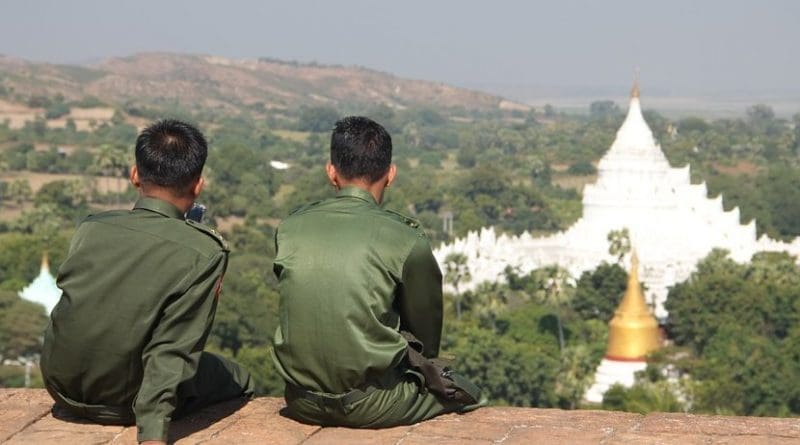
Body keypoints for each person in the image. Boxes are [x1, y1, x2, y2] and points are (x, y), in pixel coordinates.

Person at [40, 119, 254, 444]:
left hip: (62, 390)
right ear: (198, 185)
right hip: (123, 403)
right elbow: (172, 348)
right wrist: (152, 435)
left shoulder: (92, 228)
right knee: (238, 377)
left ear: (135, 175)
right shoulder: (204, 251)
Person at [271, 116, 484, 428]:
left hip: (300, 400)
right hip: (372, 404)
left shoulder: (289, 228)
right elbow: (425, 336)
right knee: (470, 392)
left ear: (331, 172)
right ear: (391, 174)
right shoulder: (406, 239)